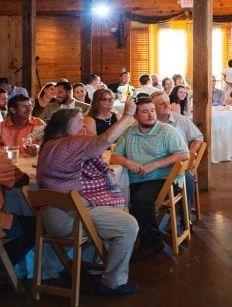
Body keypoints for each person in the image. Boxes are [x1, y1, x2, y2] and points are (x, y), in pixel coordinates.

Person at [36, 101, 139, 296]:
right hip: (68, 217)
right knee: (127, 225)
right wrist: (127, 116)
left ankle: (94, 267)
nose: (83, 125)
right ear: (65, 127)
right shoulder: (70, 144)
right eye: (79, 122)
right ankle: (112, 282)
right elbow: (105, 140)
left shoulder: (48, 145)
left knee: (112, 211)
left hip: (49, 215)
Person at [109, 97, 189, 260]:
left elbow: (184, 154)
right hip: (135, 179)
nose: (151, 114)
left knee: (140, 201)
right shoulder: (130, 132)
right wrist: (128, 162)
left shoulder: (166, 131)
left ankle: (153, 242)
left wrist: (156, 165)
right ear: (136, 116)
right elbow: (114, 157)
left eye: (152, 110)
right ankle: (120, 243)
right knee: (114, 199)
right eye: (145, 112)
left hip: (162, 179)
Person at [151, 91, 202, 213]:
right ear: (153, 107)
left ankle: (184, 219)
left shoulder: (180, 120)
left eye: (167, 102)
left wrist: (190, 154)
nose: (167, 105)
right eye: (162, 104)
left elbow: (198, 138)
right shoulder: (148, 122)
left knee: (187, 178)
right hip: (155, 166)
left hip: (178, 165)